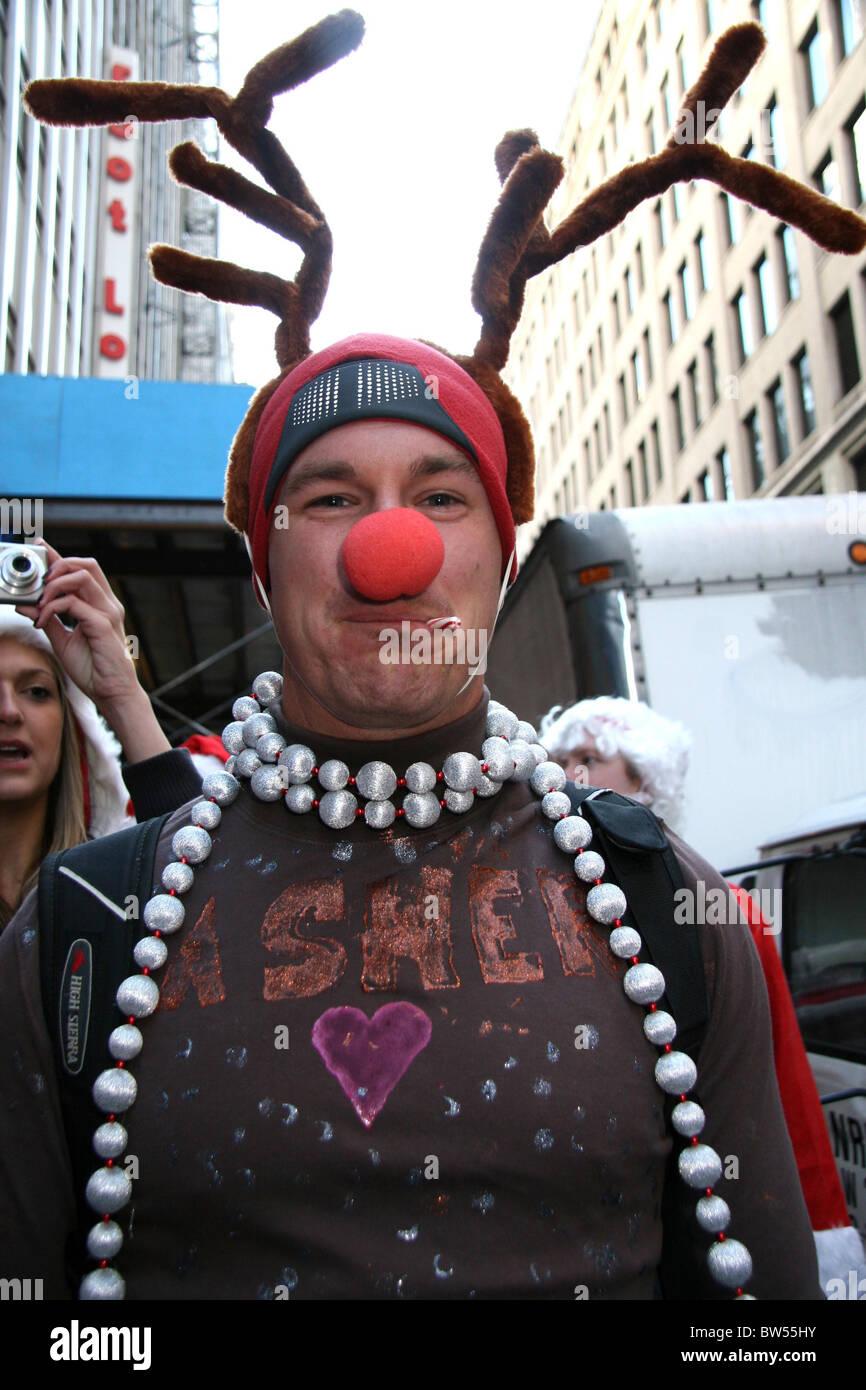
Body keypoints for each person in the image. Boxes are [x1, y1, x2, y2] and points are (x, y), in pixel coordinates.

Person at [7, 11, 865, 1302]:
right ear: (266, 558)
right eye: (331, 499)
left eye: (440, 497)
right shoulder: (80, 934)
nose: (387, 549)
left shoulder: (667, 907)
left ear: (499, 558)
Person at [539, 695, 866, 1296]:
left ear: (644, 778)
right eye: (560, 757)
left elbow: (785, 1091)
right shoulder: (541, 908)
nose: (570, 773)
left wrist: (819, 1227)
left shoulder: (720, 909)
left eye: (589, 757)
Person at [0, 544, 201, 929]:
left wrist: (123, 696)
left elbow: (210, 899)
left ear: (71, 732)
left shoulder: (118, 891)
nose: (8, 711)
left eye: (37, 691)